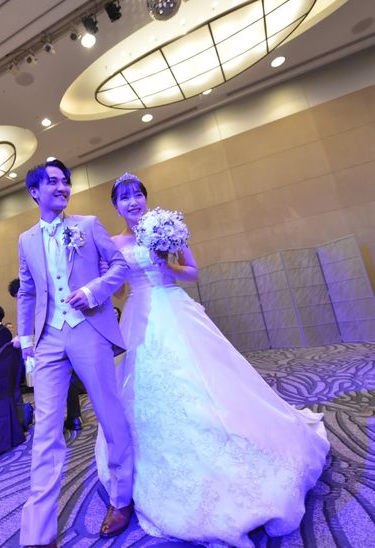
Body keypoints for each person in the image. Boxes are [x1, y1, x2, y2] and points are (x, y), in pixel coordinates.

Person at [96, 173, 330, 547]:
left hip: (176, 308)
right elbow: (121, 291)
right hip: (139, 316)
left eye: (138, 194)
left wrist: (165, 264)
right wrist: (107, 277)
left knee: (208, 380)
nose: (133, 201)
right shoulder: (112, 243)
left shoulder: (166, 226)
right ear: (115, 205)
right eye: (125, 197)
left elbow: (192, 272)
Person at [17, 159, 134, 547]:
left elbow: (119, 265)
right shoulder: (25, 240)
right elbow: (27, 291)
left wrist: (92, 291)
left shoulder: (87, 225)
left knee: (109, 414)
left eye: (65, 181)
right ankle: (38, 532)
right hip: (49, 339)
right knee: (45, 431)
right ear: (35, 192)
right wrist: (27, 342)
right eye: (52, 182)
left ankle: (121, 498)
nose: (62, 187)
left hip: (89, 331)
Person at [9, 276, 83, 429]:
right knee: (68, 380)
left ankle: (52, 423)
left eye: (17, 297)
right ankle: (74, 417)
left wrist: (24, 339)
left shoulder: (33, 303)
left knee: (50, 385)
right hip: (66, 338)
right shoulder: (46, 295)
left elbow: (33, 325)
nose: (18, 301)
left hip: (50, 346)